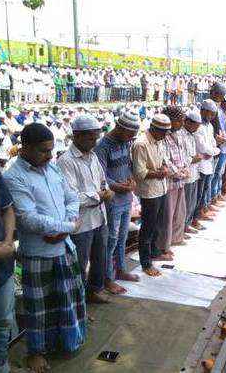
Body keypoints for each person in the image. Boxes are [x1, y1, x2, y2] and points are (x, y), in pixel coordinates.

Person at [3, 124, 85, 373]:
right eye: (43, 151)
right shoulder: (13, 176)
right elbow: (28, 218)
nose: (50, 155)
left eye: (51, 150)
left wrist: (66, 227)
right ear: (25, 148)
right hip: (38, 253)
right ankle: (36, 352)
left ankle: (65, 340)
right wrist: (67, 227)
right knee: (39, 308)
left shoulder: (51, 167)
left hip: (64, 246)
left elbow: (72, 198)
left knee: (69, 298)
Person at [57, 115, 114, 305]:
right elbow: (71, 197)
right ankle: (77, 302)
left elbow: (102, 181)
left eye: (96, 137)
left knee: (100, 258)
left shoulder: (93, 155)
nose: (95, 142)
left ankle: (93, 291)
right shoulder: (66, 161)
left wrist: (104, 191)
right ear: (77, 136)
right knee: (79, 264)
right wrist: (99, 196)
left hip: (99, 217)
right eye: (91, 138)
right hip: (81, 222)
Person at [94, 110, 140, 295]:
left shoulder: (125, 141)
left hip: (125, 197)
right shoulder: (103, 146)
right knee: (111, 240)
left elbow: (128, 165)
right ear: (120, 128)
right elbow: (101, 177)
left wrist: (131, 181)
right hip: (113, 200)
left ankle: (120, 269)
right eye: (129, 134)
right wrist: (118, 187)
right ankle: (107, 278)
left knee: (122, 237)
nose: (131, 138)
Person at [133, 114, 173, 277]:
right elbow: (140, 172)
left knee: (157, 223)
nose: (165, 136)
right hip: (149, 191)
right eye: (163, 133)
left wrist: (163, 168)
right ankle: (146, 262)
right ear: (155, 130)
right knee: (148, 227)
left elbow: (163, 160)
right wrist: (159, 173)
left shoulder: (159, 140)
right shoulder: (141, 144)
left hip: (160, 188)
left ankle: (154, 252)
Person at [0, 164, 16, 373]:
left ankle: (1, 367)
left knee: (1, 325)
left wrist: (8, 241)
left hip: (1, 268)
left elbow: (7, 208)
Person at [157, 106, 190, 253]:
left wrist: (185, 168)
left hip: (180, 179)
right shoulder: (162, 135)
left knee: (179, 212)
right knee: (167, 217)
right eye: (179, 121)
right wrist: (178, 172)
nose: (182, 124)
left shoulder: (179, 133)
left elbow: (184, 153)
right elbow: (164, 160)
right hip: (169, 181)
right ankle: (164, 247)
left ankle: (176, 238)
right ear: (171, 120)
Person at [192, 99, 221, 228]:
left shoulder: (210, 126)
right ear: (203, 111)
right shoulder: (198, 127)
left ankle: (199, 213)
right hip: (201, 165)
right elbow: (203, 148)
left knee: (204, 191)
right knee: (197, 194)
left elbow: (213, 144)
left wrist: (214, 151)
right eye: (210, 113)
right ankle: (194, 219)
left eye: (213, 114)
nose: (212, 117)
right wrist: (214, 150)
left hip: (208, 163)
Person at [181, 109, 203, 234]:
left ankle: (187, 224)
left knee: (192, 201)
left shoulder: (191, 135)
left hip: (194, 173)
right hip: (186, 173)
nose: (196, 129)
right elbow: (183, 157)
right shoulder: (182, 135)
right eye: (195, 126)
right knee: (187, 202)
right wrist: (193, 159)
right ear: (188, 122)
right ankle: (183, 227)